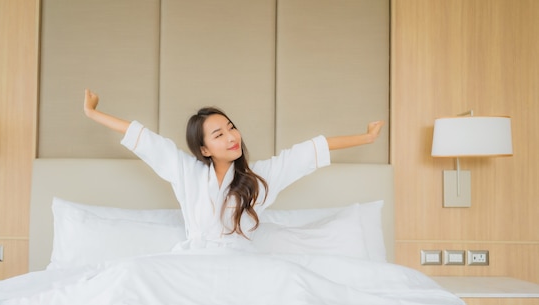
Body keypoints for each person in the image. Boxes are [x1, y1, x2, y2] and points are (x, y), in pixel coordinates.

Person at [83, 89, 384, 251]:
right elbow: (145, 140)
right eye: (218, 135)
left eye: (231, 128)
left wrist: (367, 137)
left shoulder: (261, 178)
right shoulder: (186, 172)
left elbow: (310, 151)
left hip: (242, 267)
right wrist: (93, 113)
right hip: (193, 266)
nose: (231, 137)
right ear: (204, 149)